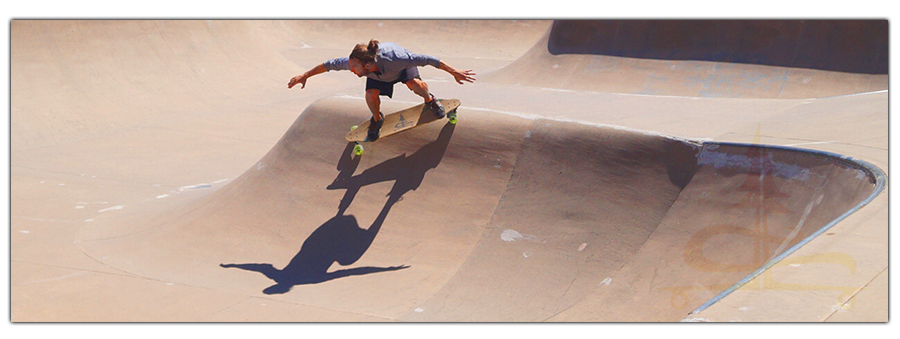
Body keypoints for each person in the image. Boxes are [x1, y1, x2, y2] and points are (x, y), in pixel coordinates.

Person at [288, 39, 476, 141]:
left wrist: (454, 71)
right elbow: (328, 65)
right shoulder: (355, 62)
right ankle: (377, 119)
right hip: (377, 77)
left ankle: (430, 101)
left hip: (400, 71)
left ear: (368, 64)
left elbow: (428, 59)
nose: (351, 70)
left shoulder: (398, 58)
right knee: (370, 95)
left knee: (416, 85)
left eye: (355, 67)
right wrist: (304, 75)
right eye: (351, 66)